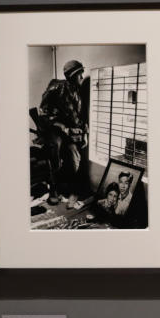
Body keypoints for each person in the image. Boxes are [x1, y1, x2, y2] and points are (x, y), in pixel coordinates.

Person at [37, 59, 91, 207]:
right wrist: (62, 127)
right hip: (54, 129)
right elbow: (44, 112)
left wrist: (84, 133)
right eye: (80, 74)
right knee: (55, 153)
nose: (82, 77)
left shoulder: (78, 92)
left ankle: (72, 189)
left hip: (70, 132)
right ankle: (54, 190)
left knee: (75, 157)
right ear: (72, 75)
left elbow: (80, 117)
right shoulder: (56, 87)